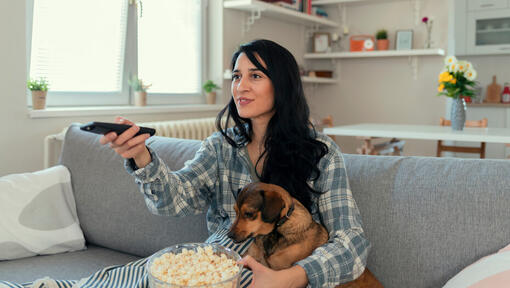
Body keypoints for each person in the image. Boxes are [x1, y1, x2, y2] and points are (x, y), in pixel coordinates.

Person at [100, 39, 370, 288]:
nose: (240, 87)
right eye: (237, 76)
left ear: (282, 84)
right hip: (218, 265)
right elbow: (174, 201)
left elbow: (352, 243)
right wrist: (141, 156)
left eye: (255, 76)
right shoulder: (220, 147)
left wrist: (291, 277)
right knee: (145, 274)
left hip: (282, 274)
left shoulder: (320, 153)